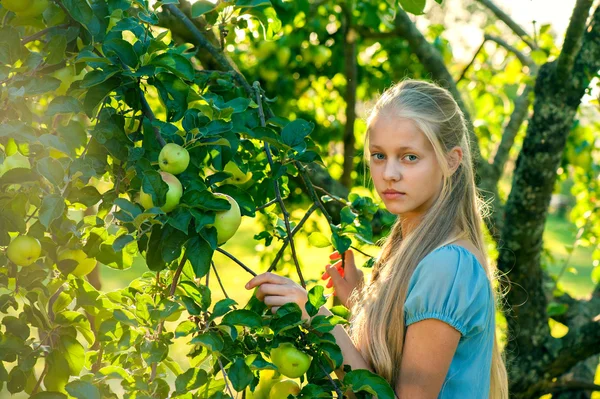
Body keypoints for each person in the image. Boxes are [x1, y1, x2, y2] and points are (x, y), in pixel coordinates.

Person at [245, 79, 509, 398]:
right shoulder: (415, 250)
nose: (389, 173)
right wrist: (363, 303)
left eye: (409, 157)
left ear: (451, 160)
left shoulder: (447, 266)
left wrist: (316, 317)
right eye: (379, 155)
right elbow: (391, 367)